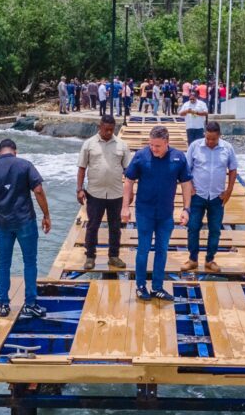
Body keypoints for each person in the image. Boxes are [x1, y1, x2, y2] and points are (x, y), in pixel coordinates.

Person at [0, 138, 51, 318]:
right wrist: (46, 215)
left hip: (3, 224)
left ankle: (3, 304)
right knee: (30, 262)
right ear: (15, 151)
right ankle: (30, 304)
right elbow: (38, 190)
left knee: (4, 264)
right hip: (26, 221)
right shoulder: (25, 165)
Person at [123, 126, 192, 301]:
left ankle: (157, 287)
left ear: (167, 143)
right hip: (144, 212)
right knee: (143, 249)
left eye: (158, 146)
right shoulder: (141, 155)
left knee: (162, 249)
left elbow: (186, 184)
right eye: (151, 145)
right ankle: (140, 286)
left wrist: (186, 209)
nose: (153, 149)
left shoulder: (178, 158)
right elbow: (129, 180)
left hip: (165, 214)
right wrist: (125, 207)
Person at [77, 115, 132, 270]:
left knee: (115, 227)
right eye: (105, 129)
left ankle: (113, 256)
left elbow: (129, 171)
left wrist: (130, 192)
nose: (108, 132)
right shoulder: (89, 144)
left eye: (111, 129)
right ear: (99, 127)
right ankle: (90, 257)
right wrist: (79, 189)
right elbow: (82, 168)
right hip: (95, 193)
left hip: (116, 194)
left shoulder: (122, 145)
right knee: (92, 226)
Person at [182, 122, 238, 273]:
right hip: (197, 195)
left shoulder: (227, 148)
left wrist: (229, 190)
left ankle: (210, 260)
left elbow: (233, 169)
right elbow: (186, 169)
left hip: (217, 197)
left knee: (215, 229)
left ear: (219, 135)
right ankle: (193, 259)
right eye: (208, 138)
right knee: (193, 227)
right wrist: (190, 188)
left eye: (213, 139)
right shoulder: (195, 146)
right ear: (204, 134)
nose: (210, 142)